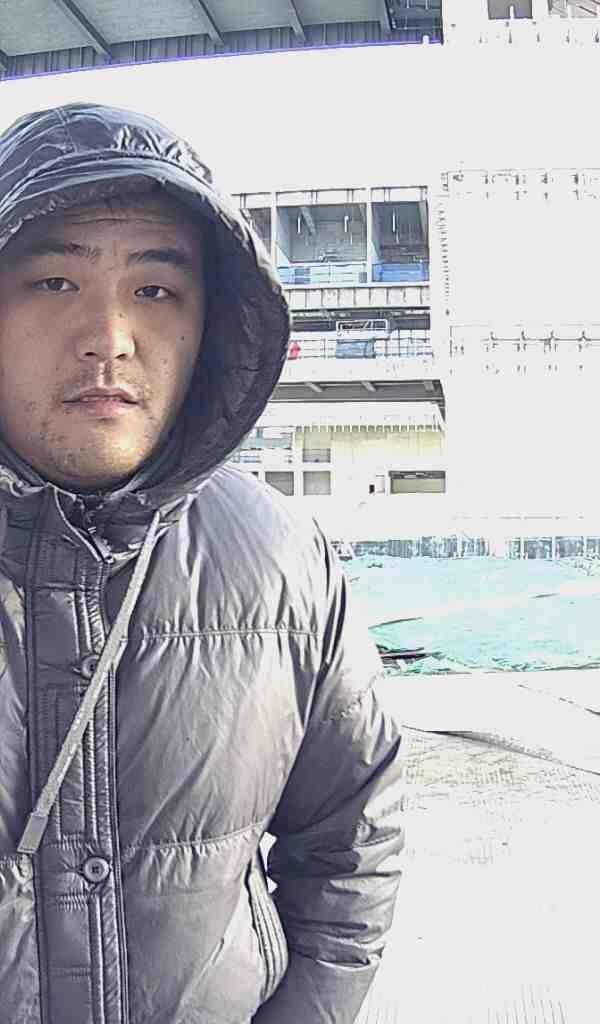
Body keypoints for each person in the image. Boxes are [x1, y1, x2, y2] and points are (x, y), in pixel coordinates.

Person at [0, 102, 404, 1024]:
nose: (110, 336)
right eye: (55, 281)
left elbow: (351, 840)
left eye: (155, 291)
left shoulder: (285, 560)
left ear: (211, 327)